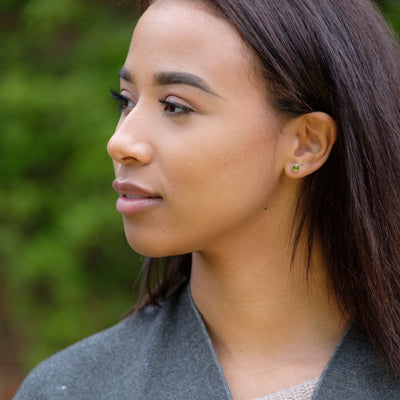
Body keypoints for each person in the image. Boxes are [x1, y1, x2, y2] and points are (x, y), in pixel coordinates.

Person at [14, 0, 400, 399]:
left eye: (174, 106)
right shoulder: (69, 389)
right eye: (126, 100)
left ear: (306, 144)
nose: (120, 142)